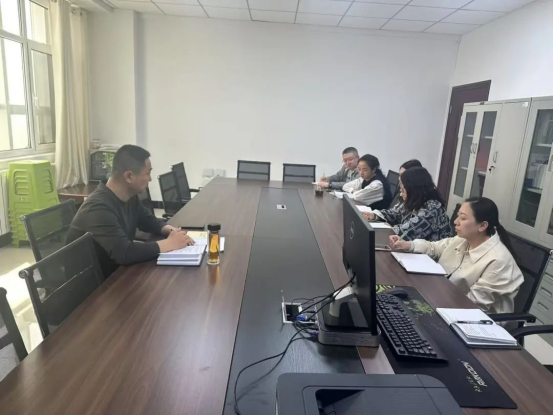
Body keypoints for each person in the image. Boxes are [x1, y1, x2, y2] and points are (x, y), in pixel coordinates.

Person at [66, 145, 194, 278]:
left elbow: (147, 220)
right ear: (129, 176)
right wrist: (169, 243)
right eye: (147, 173)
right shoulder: (98, 209)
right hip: (93, 285)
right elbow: (124, 252)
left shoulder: (129, 197)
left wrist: (171, 231)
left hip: (114, 272)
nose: (150, 179)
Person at [389, 197, 523, 314]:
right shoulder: (463, 239)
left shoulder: (498, 261)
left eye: (463, 218)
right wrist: (408, 245)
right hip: (446, 301)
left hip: (474, 321)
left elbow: (473, 305)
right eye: (458, 216)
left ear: (482, 226)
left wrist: (431, 296)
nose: (456, 221)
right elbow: (434, 248)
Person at [362, 167, 451, 241]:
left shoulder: (432, 209)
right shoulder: (415, 200)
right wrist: (374, 215)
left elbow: (406, 232)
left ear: (414, 189)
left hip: (430, 255)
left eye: (403, 190)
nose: (401, 194)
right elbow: (395, 214)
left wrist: (378, 231)